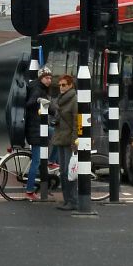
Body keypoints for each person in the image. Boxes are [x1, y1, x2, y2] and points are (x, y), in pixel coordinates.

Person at [48, 74, 79, 211]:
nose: (61, 87)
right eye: (59, 85)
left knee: (69, 171)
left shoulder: (74, 100)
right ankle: (67, 200)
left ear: (70, 85)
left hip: (69, 141)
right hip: (60, 139)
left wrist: (74, 142)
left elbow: (76, 122)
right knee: (62, 171)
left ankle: (73, 201)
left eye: (64, 85)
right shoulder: (60, 100)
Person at [23, 65, 53, 201]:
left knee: (55, 133)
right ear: (41, 78)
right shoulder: (37, 89)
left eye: (50, 78)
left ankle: (51, 161)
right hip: (36, 130)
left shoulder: (40, 88)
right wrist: (38, 101)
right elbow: (30, 103)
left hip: (39, 128)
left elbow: (49, 107)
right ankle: (29, 190)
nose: (49, 80)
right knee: (36, 161)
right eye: (47, 78)